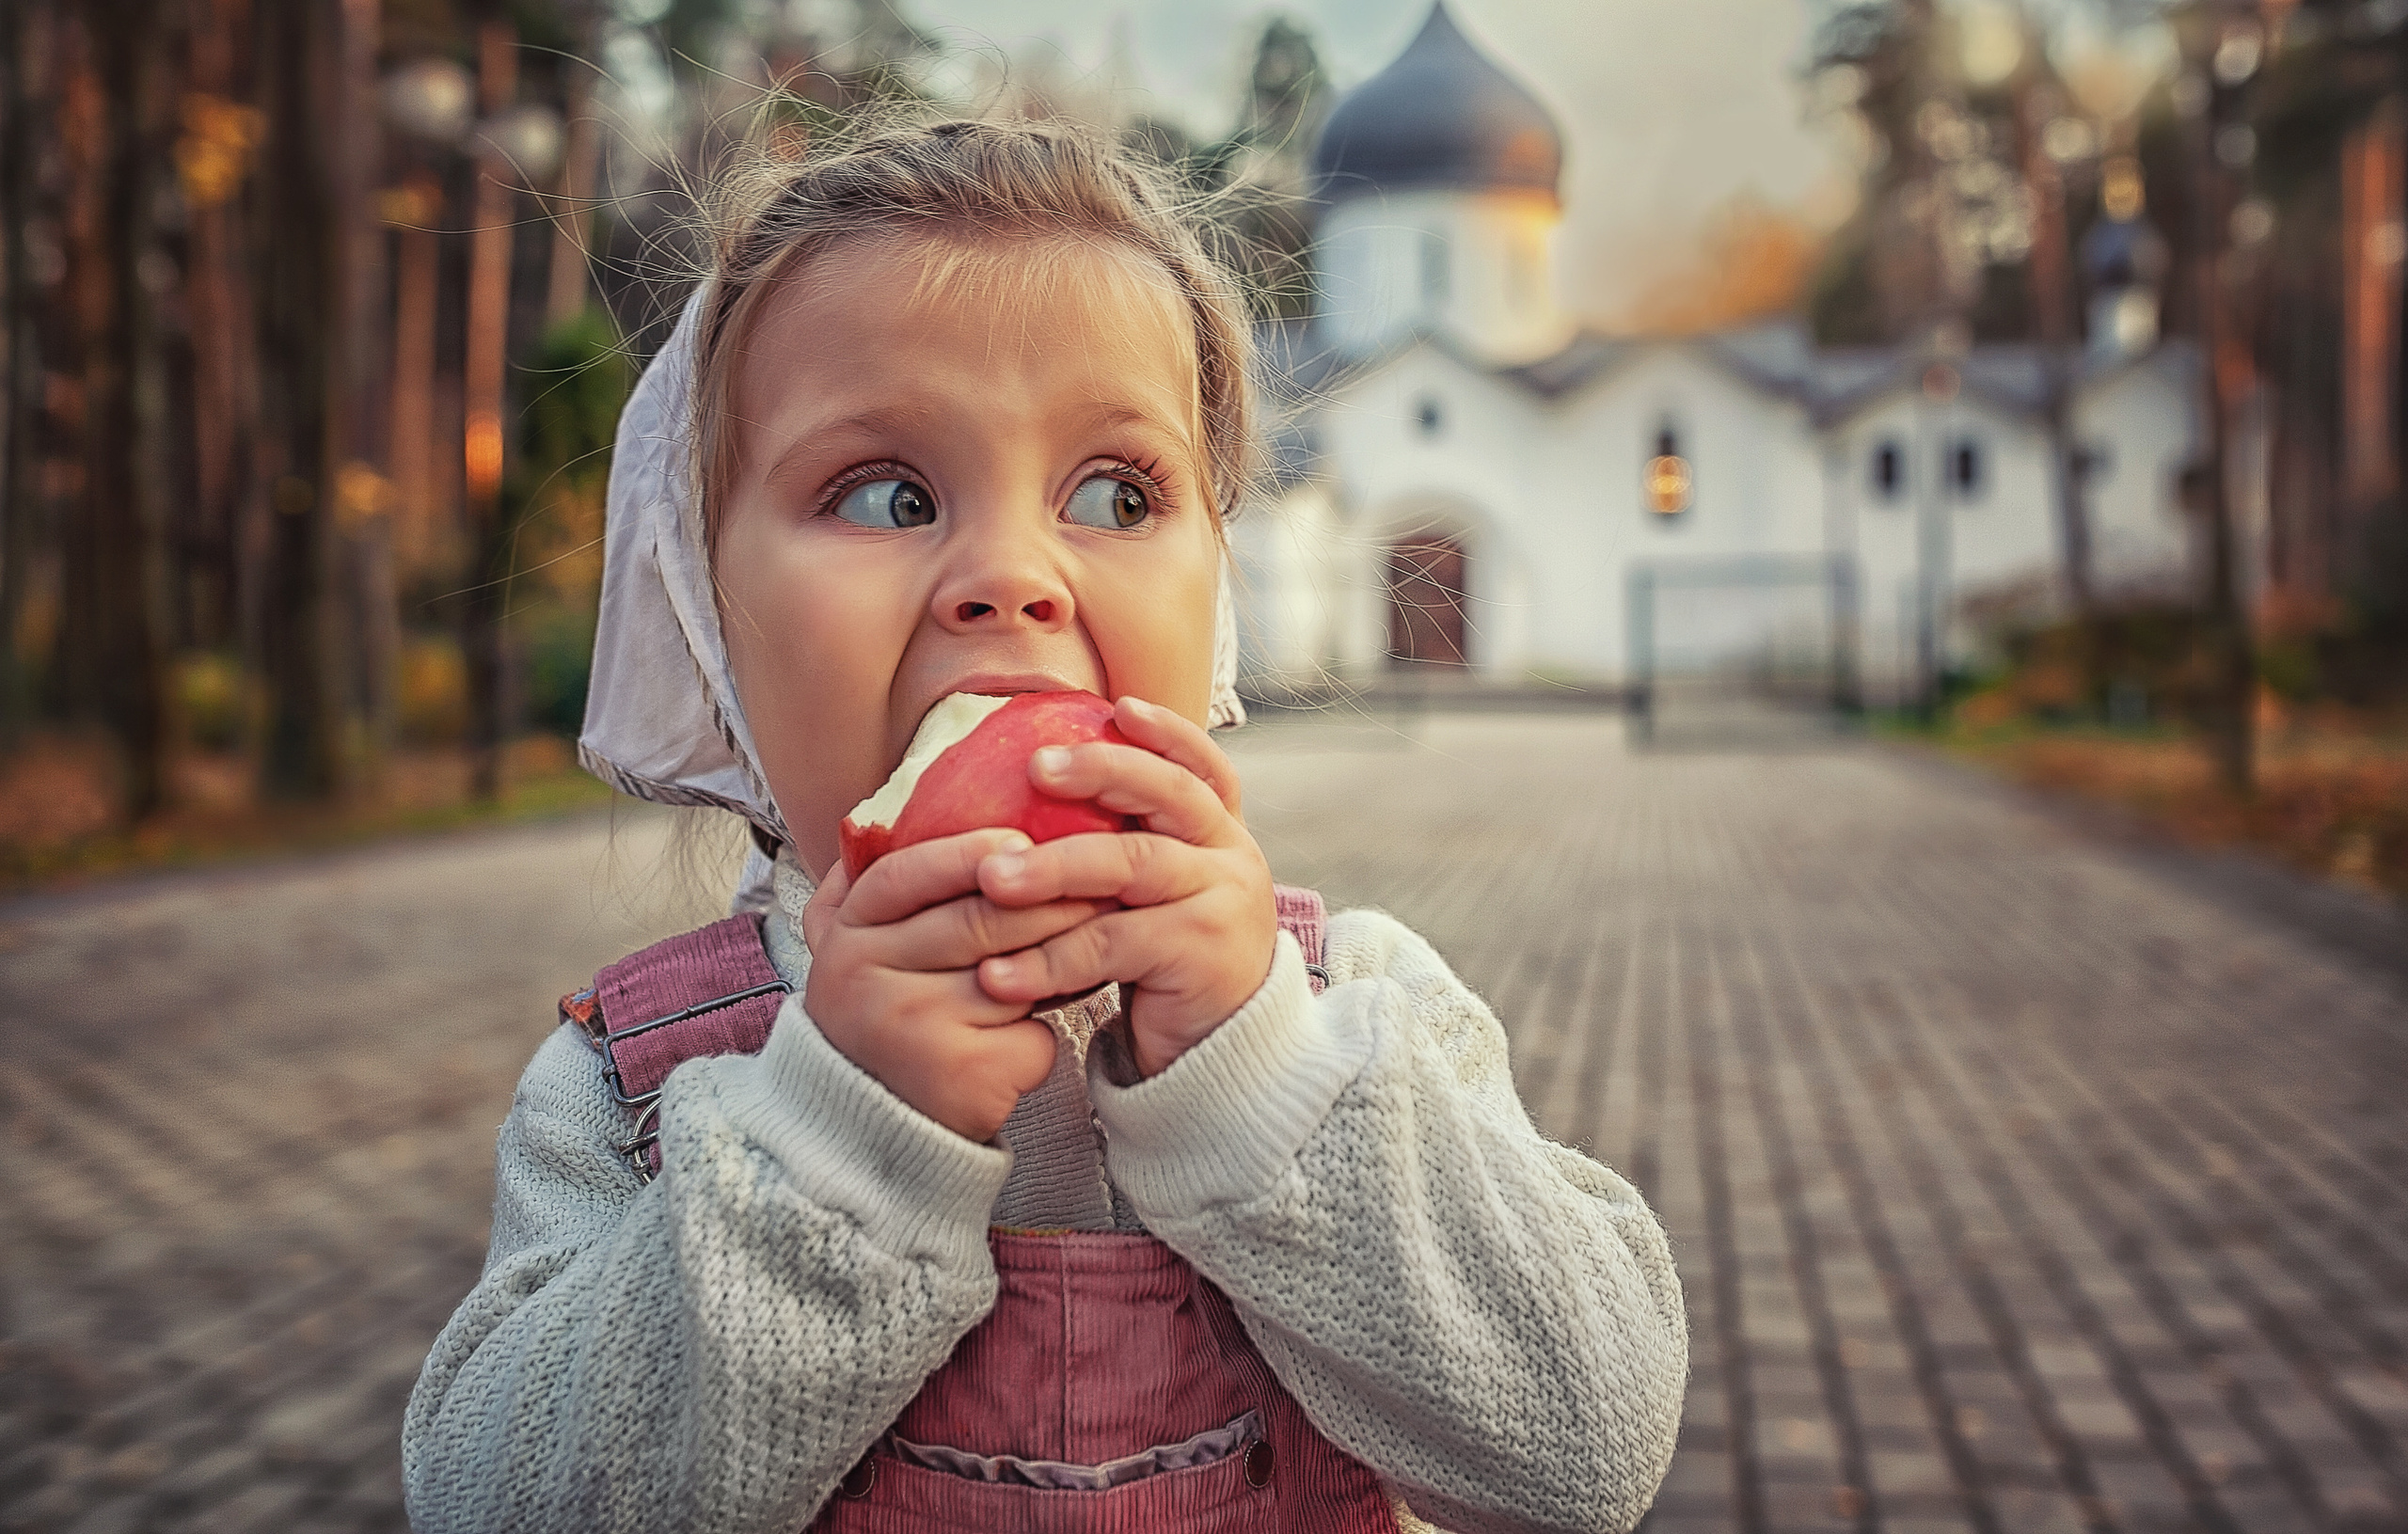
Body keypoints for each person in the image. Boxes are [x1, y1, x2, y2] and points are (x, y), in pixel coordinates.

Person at [402, 115, 1686, 1534]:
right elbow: (490, 1503)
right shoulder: (626, 1092)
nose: (1011, 577)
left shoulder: (1352, 1013)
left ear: (1216, 598)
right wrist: (835, 1144)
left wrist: (1258, 1078)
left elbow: (1588, 1451)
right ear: (707, 615)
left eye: (1114, 494)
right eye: (887, 494)